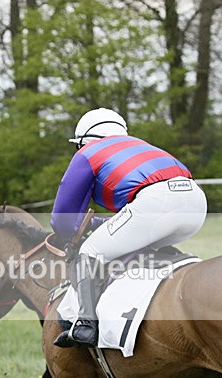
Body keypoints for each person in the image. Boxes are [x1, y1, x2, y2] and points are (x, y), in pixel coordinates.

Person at [51, 108, 207, 348]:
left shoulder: (88, 152)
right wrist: (94, 223)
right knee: (141, 245)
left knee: (90, 252)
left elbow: (62, 219)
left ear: (84, 141)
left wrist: (74, 231)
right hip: (196, 201)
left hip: (155, 204)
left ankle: (85, 325)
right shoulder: (140, 145)